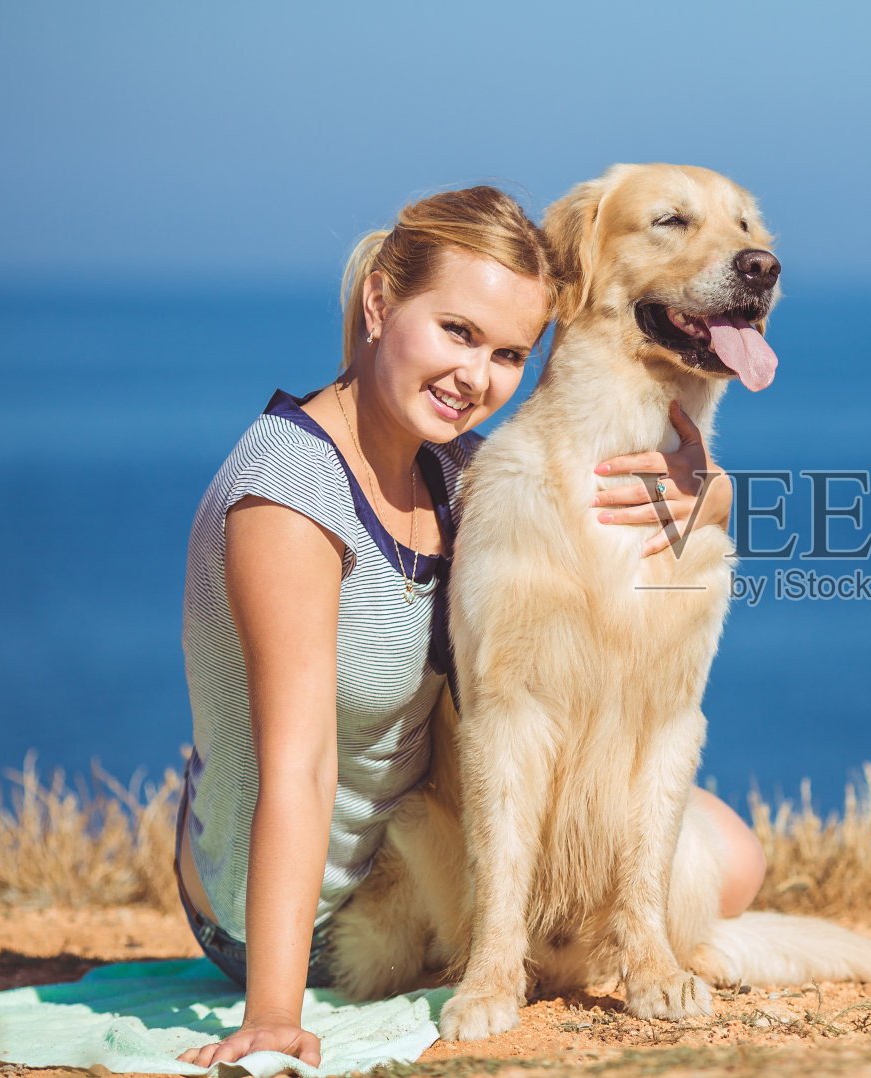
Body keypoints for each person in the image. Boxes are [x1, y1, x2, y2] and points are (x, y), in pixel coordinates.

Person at [175, 186, 766, 1067]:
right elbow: (296, 768)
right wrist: (273, 1009)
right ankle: (499, 952)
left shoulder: (453, 464)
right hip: (315, 903)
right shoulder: (289, 503)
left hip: (428, 828)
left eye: (508, 353)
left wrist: (705, 492)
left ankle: (579, 941)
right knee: (682, 869)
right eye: (456, 332)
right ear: (379, 303)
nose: (475, 378)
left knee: (729, 853)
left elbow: (596, 495)